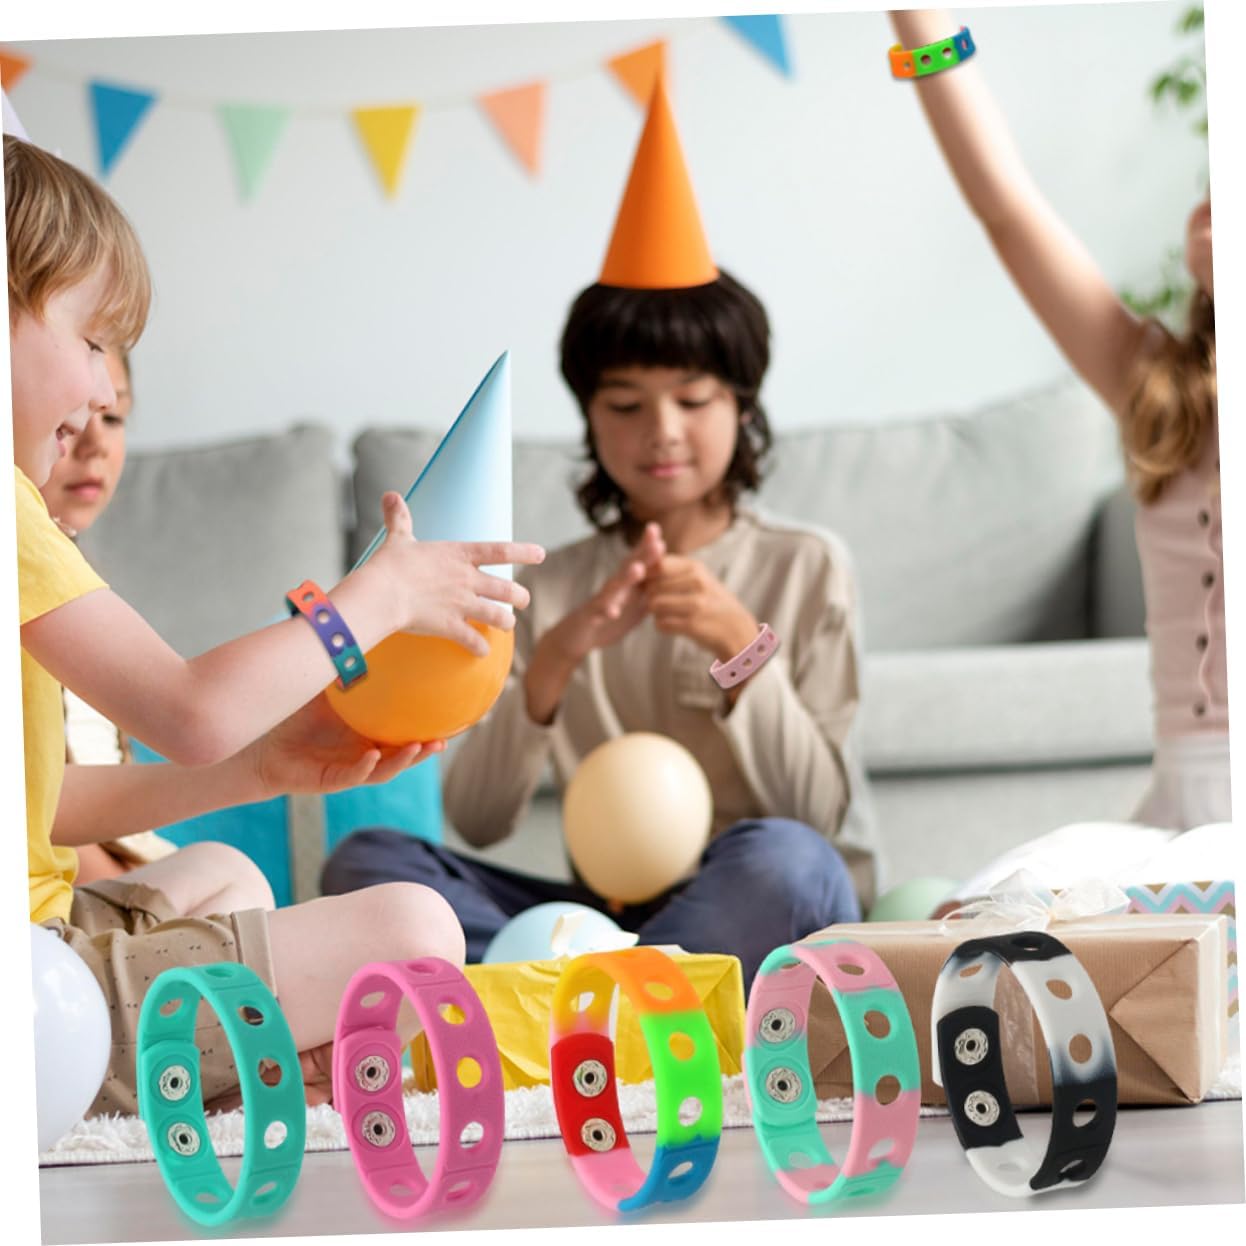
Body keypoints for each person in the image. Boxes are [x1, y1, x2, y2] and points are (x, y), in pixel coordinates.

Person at [7, 133, 545, 1113]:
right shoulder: (9, 510)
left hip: (44, 938)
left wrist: (262, 768)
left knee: (224, 871)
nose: (100, 392)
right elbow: (189, 710)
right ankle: (212, 1075)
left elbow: (41, 805)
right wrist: (379, 599)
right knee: (418, 931)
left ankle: (227, 1070)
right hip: (34, 996)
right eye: (87, 341)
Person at [321, 80, 875, 986]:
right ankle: (636, 992)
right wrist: (552, 663)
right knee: (370, 864)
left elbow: (817, 814)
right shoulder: (547, 585)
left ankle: (571, 997)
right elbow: (479, 820)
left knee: (790, 864)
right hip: (601, 917)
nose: (662, 431)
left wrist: (741, 647)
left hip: (743, 892)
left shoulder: (805, 567)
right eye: (625, 405)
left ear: (741, 407)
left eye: (693, 400)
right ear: (589, 417)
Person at [887, 9, 1225, 902]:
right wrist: (920, 24)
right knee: (992, 901)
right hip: (1171, 810)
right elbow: (1007, 209)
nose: (1208, 201)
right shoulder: (1154, 385)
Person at [39, 347, 178, 883]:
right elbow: (39, 817)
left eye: (114, 416)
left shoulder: (79, 571)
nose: (94, 443)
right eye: (67, 416)